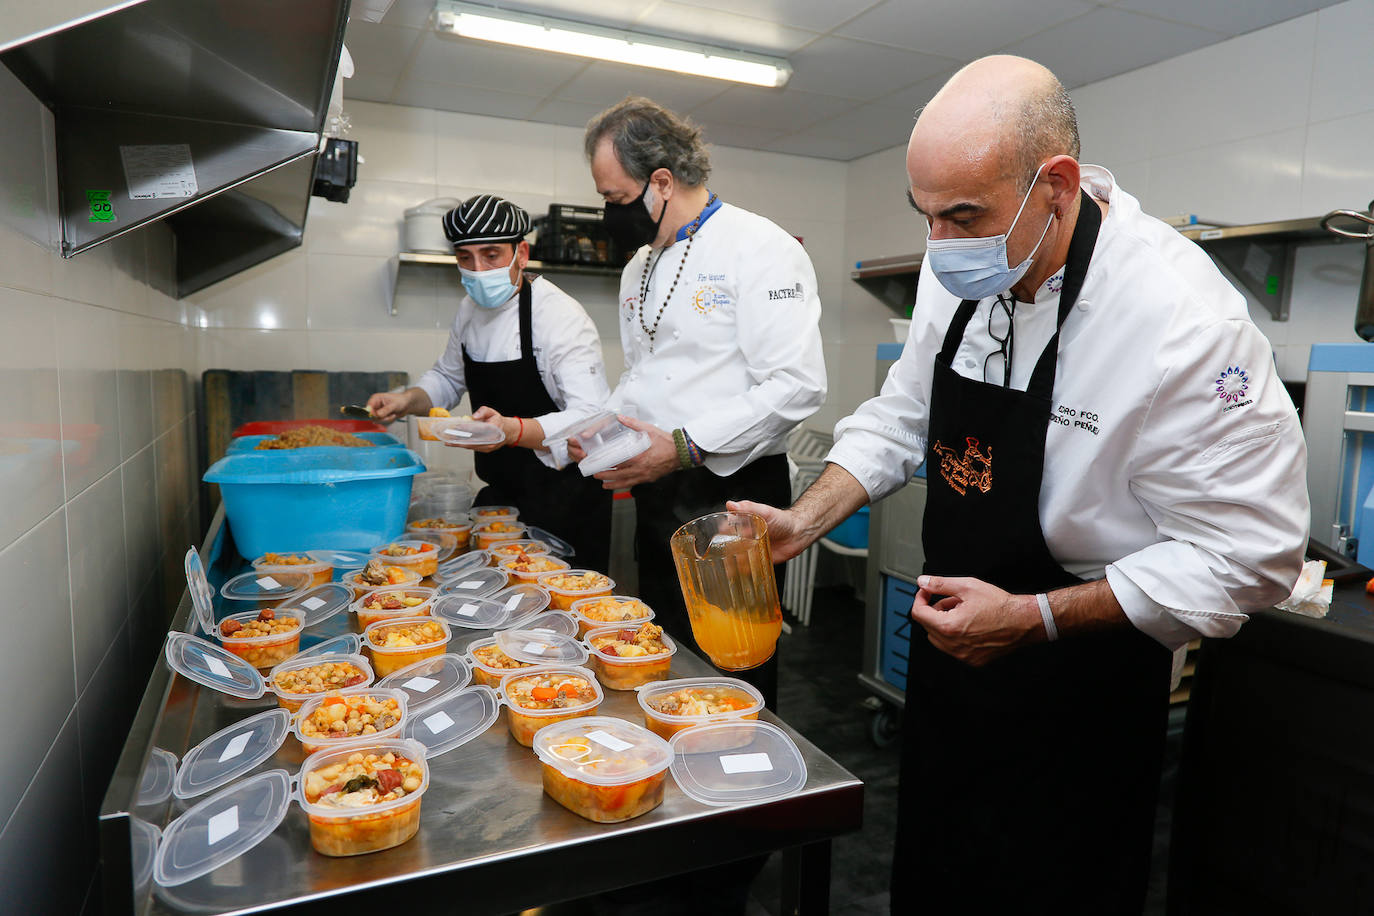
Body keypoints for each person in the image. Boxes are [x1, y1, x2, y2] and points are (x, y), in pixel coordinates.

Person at [734, 56, 1309, 915]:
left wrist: (1034, 617)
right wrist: (803, 520)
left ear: (1058, 186)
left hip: (1083, 684)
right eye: (926, 216)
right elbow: (903, 414)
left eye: (963, 216)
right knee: (937, 875)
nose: (940, 245)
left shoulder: (1183, 323)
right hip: (954, 665)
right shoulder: (962, 263)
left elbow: (1252, 557)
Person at [575, 95, 827, 709]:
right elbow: (643, 374)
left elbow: (796, 383)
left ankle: (741, 764)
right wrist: (598, 431)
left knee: (733, 667)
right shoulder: (639, 266)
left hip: (734, 496)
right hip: (659, 490)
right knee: (665, 656)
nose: (610, 215)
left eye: (616, 198)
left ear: (662, 182)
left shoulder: (759, 247)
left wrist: (686, 446)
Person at [367, 194, 613, 570]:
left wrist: (511, 431)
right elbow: (448, 377)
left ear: (522, 254)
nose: (478, 270)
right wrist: (406, 400)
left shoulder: (559, 316)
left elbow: (590, 417)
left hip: (566, 502)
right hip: (501, 500)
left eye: (491, 255)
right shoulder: (469, 310)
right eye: (465, 258)